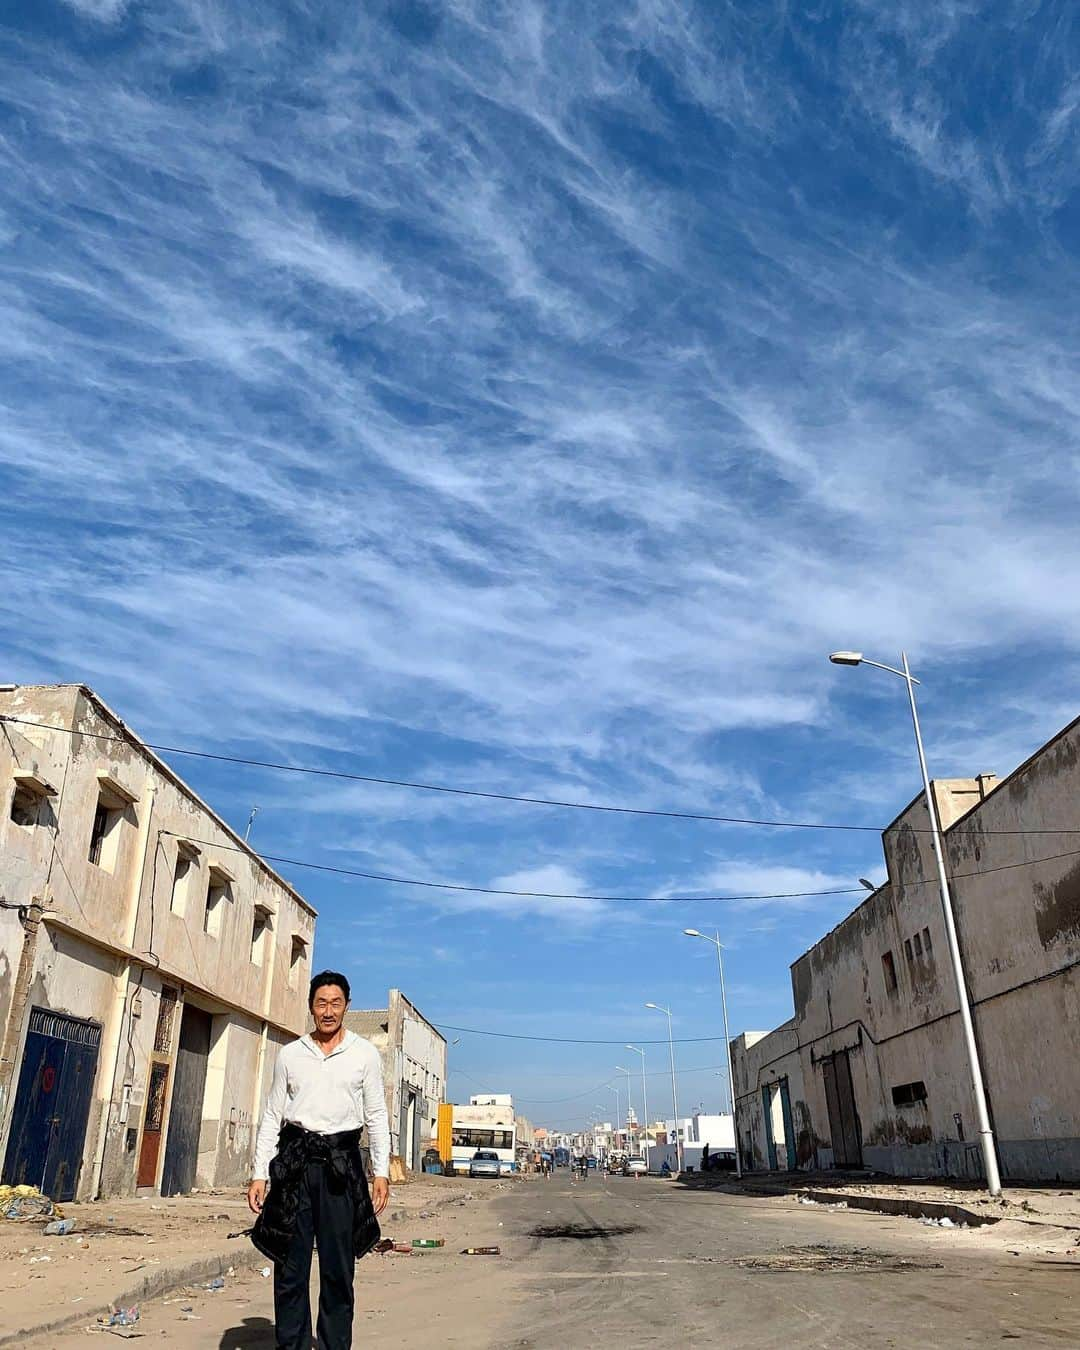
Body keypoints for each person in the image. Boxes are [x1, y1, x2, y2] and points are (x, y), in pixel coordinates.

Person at [248, 970, 391, 1350]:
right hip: (295, 1166)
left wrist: (381, 1171)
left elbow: (376, 1115)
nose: (328, 1011)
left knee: (338, 1272)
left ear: (346, 1005)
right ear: (311, 1007)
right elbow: (271, 1115)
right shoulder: (291, 1055)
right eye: (321, 1003)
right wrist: (259, 1172)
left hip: (341, 1169)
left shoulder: (365, 1055)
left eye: (336, 1003)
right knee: (290, 1269)